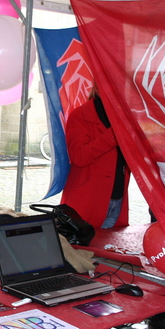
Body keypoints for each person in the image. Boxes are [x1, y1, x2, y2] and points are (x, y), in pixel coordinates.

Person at [61, 84, 130, 229]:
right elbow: (79, 157)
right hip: (87, 202)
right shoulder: (80, 115)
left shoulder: (124, 116)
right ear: (98, 87)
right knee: (83, 250)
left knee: (108, 248)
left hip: (117, 200)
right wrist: (114, 134)